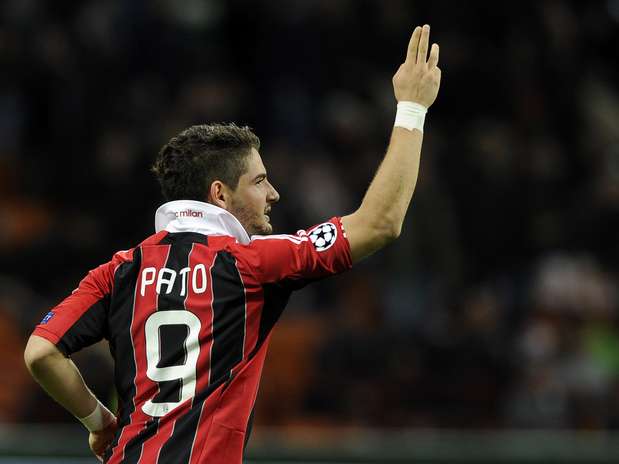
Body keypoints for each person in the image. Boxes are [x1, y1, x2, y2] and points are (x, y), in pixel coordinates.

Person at [24, 24, 441, 463]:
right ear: (220, 194)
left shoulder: (119, 271)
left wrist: (99, 422)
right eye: (260, 181)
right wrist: (412, 108)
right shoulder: (251, 263)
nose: (274, 194)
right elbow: (380, 224)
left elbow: (41, 352)